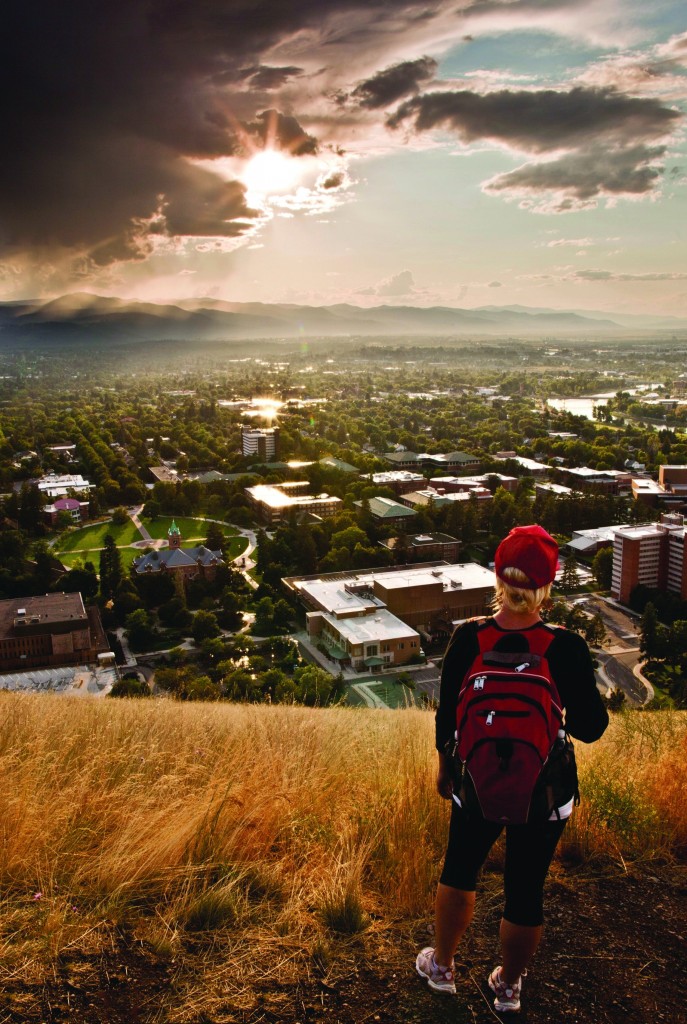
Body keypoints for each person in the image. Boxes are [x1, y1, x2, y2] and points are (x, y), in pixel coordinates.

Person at [416, 524, 609, 1013]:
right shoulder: (564, 646)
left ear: (499, 577)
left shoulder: (468, 639)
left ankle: (441, 966)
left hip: (475, 783)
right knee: (526, 888)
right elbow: (590, 728)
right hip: (544, 788)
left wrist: (445, 769)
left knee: (459, 870)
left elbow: (447, 717)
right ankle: (508, 986)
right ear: (547, 584)